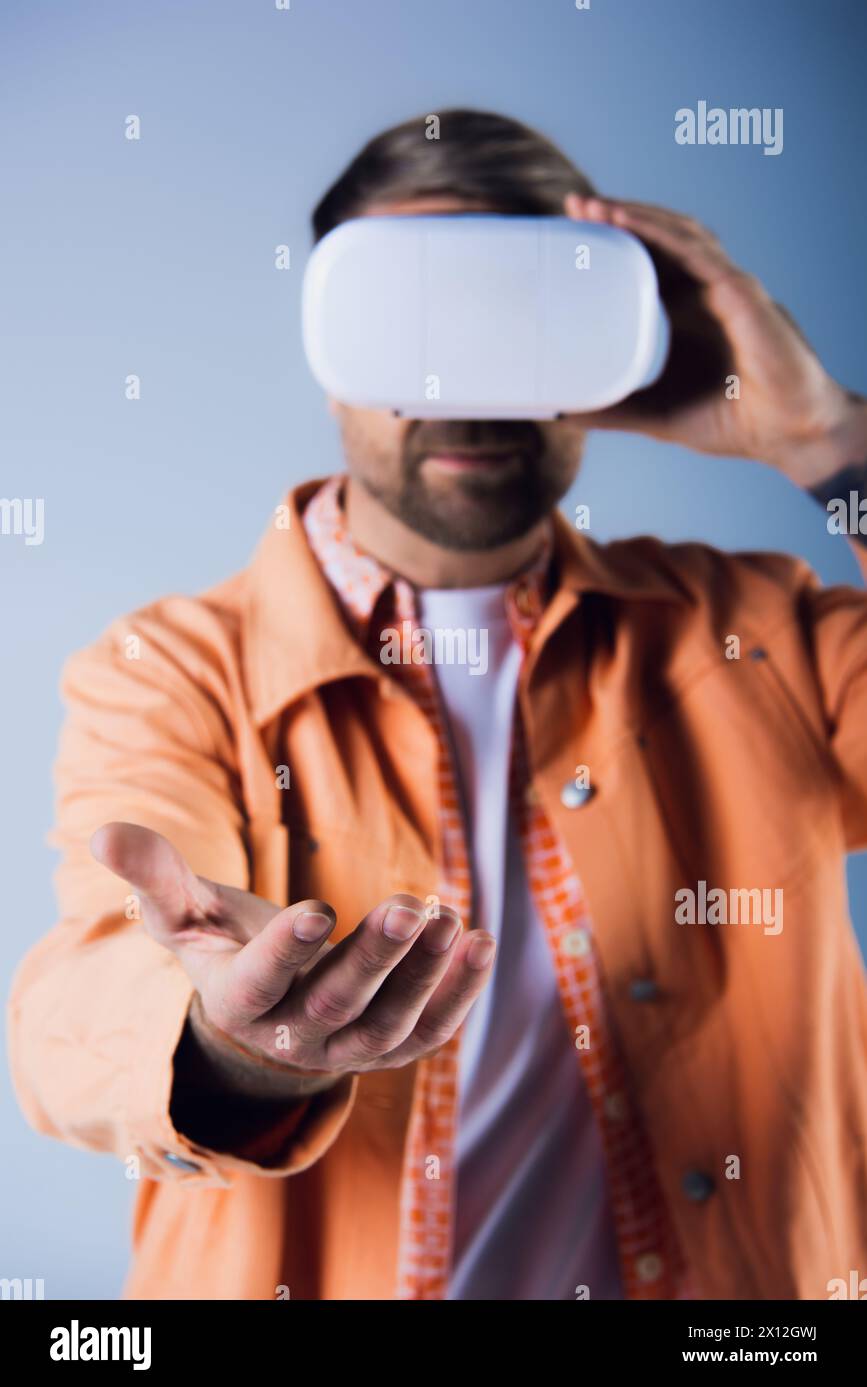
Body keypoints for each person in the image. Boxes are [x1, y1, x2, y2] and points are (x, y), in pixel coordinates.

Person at [9, 108, 867, 1302]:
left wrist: (833, 443)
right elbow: (86, 985)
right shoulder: (170, 668)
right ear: (326, 347)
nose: (460, 387)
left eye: (519, 323)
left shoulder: (764, 633)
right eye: (408, 320)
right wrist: (230, 1045)